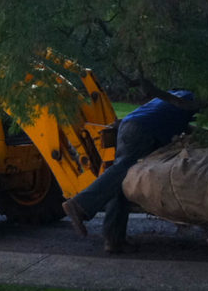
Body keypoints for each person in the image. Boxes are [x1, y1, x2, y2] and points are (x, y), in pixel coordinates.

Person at [63, 89, 197, 253]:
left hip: (128, 126)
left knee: (120, 182)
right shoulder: (191, 100)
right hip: (143, 131)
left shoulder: (173, 95)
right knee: (121, 172)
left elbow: (175, 122)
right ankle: (79, 205)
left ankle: (113, 240)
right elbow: (184, 128)